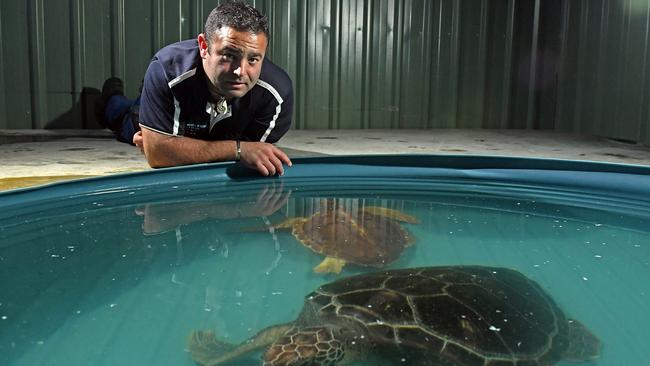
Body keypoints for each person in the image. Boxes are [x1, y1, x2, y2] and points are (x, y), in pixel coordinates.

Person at [96, 1, 293, 176]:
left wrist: (170, 146)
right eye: (229, 56)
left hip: (185, 124)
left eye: (253, 59)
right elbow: (159, 156)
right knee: (125, 119)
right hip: (169, 104)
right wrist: (238, 149)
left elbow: (254, 154)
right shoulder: (167, 70)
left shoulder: (276, 94)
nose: (240, 71)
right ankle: (112, 96)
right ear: (204, 47)